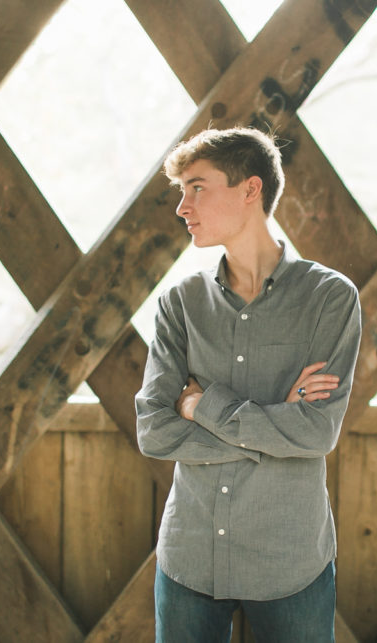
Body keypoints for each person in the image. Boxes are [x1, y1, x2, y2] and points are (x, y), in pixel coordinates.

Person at [135, 126, 361, 642]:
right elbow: (154, 431)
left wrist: (199, 405)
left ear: (250, 189)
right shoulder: (180, 304)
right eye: (180, 192)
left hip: (290, 561)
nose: (182, 207)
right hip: (190, 557)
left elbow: (315, 434)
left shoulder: (329, 299)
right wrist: (273, 423)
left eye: (197, 187)